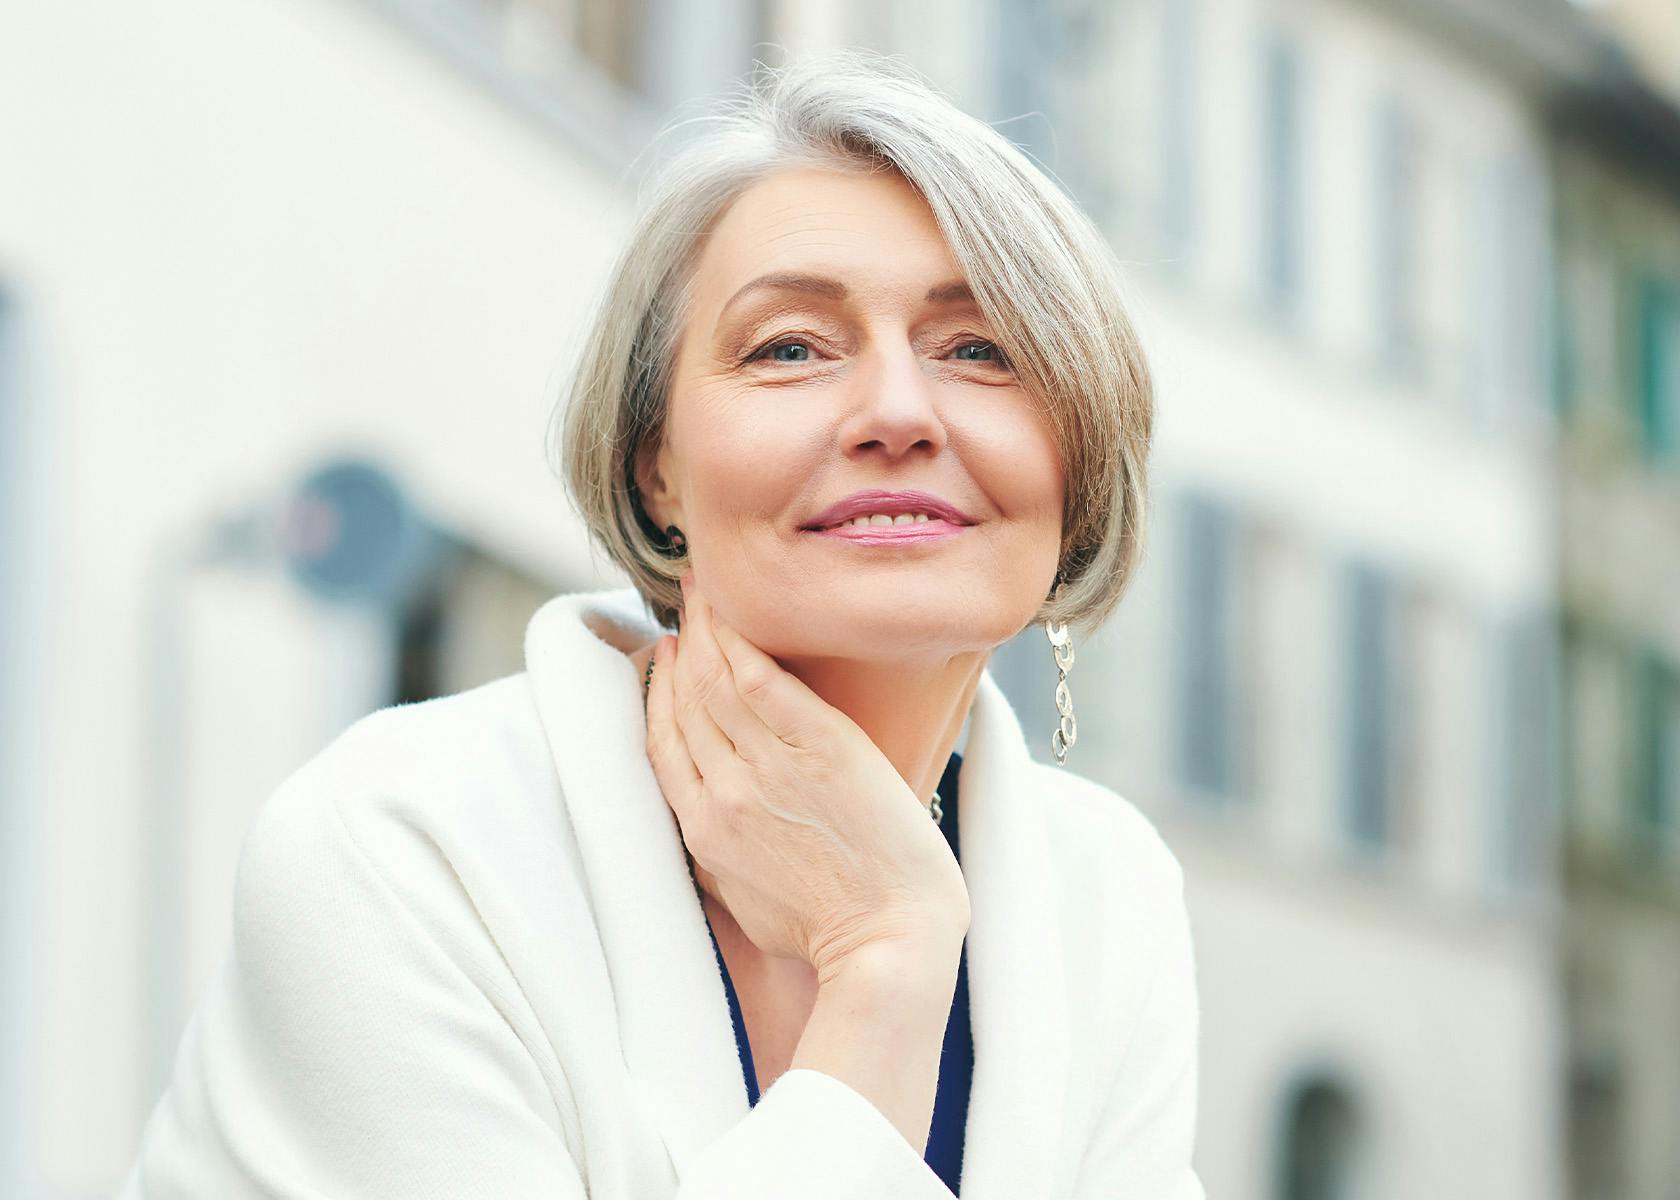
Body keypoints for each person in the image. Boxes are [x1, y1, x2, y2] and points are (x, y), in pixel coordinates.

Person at [119, 49, 1203, 1199]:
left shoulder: (1111, 891)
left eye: (979, 349)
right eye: (791, 347)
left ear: (1080, 461)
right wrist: (885, 961)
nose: (897, 411)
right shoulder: (400, 848)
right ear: (657, 475)